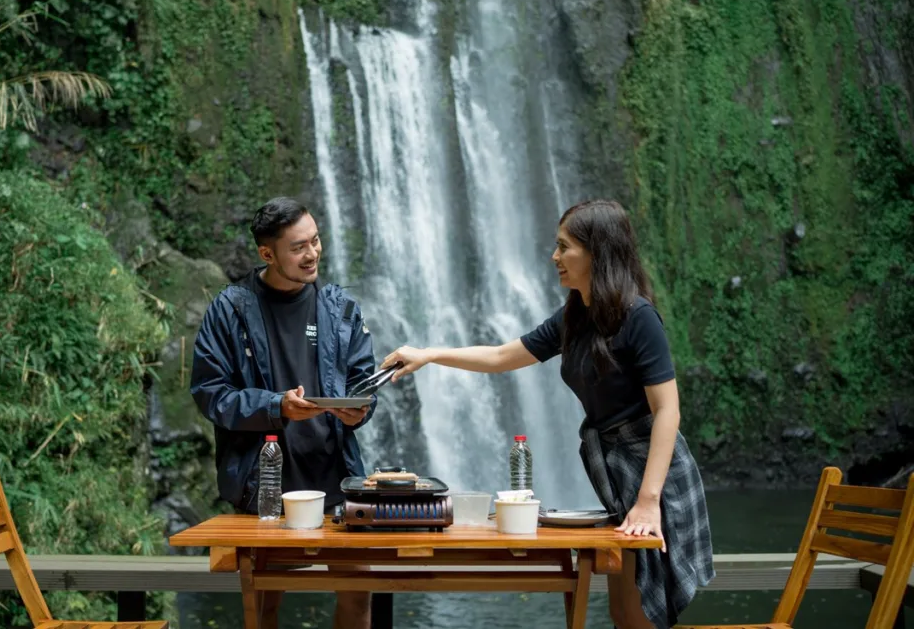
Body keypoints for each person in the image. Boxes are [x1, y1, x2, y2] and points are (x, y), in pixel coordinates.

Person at [381, 199, 714, 629]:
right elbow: (502, 356)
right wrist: (427, 355)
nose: (554, 257)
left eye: (564, 247)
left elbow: (667, 410)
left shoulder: (638, 317)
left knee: (640, 612)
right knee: (624, 611)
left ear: (598, 252)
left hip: (655, 476)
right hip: (615, 470)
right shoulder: (577, 315)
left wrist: (649, 502)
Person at [190, 197, 377, 629]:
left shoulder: (340, 307)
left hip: (336, 480)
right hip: (265, 486)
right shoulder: (230, 309)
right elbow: (210, 393)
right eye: (298, 247)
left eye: (315, 241)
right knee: (264, 602)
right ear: (267, 254)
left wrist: (358, 410)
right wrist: (276, 406)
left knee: (357, 596)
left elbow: (363, 384)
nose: (312, 254)